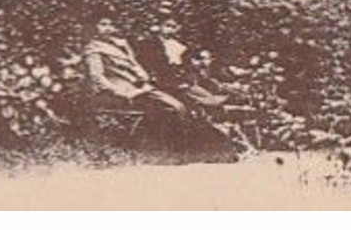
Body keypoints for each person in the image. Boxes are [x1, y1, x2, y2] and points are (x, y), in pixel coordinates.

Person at [81, 17, 237, 163]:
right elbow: (97, 77)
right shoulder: (93, 49)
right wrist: (119, 92)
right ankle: (168, 149)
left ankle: (184, 147)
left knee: (182, 106)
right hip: (123, 90)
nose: (108, 28)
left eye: (111, 25)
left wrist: (145, 78)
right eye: (103, 25)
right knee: (173, 108)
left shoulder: (120, 44)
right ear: (94, 28)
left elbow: (136, 66)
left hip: (140, 86)